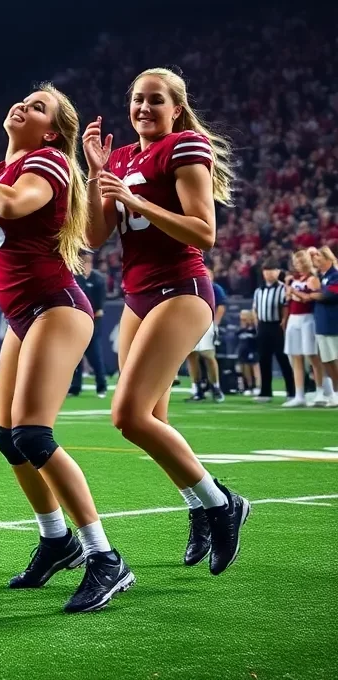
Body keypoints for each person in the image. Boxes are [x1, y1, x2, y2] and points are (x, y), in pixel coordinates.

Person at [0, 86, 133, 614]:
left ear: (53, 130)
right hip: (23, 313)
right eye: (24, 100)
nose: (23, 106)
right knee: (8, 439)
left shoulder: (49, 159)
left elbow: (11, 205)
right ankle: (57, 541)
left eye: (39, 107)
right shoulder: (12, 168)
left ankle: (105, 558)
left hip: (55, 305)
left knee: (33, 434)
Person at [84, 68, 249, 577]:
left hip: (181, 288)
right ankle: (200, 505)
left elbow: (204, 231)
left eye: (156, 100)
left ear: (176, 108)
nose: (144, 108)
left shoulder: (185, 145)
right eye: (137, 100)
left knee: (127, 415)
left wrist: (136, 200)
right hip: (137, 297)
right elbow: (93, 237)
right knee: (152, 421)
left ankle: (221, 503)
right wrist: (96, 174)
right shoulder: (122, 157)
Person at [282, 250, 322, 407]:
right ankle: (299, 394)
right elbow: (288, 298)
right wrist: (288, 289)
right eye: (295, 262)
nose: (297, 265)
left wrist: (294, 290)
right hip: (294, 317)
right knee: (295, 356)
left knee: (312, 356)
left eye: (299, 262)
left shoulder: (312, 279)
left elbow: (310, 298)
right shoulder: (294, 279)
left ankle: (320, 390)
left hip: (307, 318)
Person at [251, 259, 293, 402]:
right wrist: (258, 324)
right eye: (266, 270)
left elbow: (285, 306)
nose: (269, 273)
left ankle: (292, 391)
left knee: (283, 358)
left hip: (277, 325)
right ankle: (265, 391)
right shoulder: (258, 290)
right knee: (264, 359)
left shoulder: (283, 288)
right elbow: (255, 309)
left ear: (278, 272)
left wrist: (284, 322)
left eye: (272, 270)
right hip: (263, 326)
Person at [68, 251, 107, 398]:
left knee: (95, 357)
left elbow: (99, 309)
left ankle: (101, 386)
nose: (84, 266)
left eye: (86, 263)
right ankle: (75, 387)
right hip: (77, 322)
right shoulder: (75, 279)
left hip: (93, 322)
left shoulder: (98, 280)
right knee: (75, 358)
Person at [185, 267, 227, 403]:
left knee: (208, 355)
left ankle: (216, 386)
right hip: (190, 323)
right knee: (191, 356)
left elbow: (221, 306)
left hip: (207, 323)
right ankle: (197, 388)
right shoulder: (189, 287)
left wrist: (215, 323)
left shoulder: (214, 288)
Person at [306, 245, 338, 406]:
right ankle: (335, 392)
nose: (316, 260)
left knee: (334, 359)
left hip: (333, 323)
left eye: (318, 257)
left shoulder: (335, 276)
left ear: (327, 259)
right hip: (322, 322)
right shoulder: (323, 276)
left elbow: (329, 296)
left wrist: (313, 294)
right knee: (326, 360)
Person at [234, 310, 261, 396]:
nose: (242, 317)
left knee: (255, 368)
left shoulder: (254, 329)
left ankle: (258, 386)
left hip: (253, 350)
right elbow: (236, 336)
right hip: (243, 351)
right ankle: (249, 387)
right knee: (245, 369)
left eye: (244, 316)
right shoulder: (241, 329)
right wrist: (243, 327)